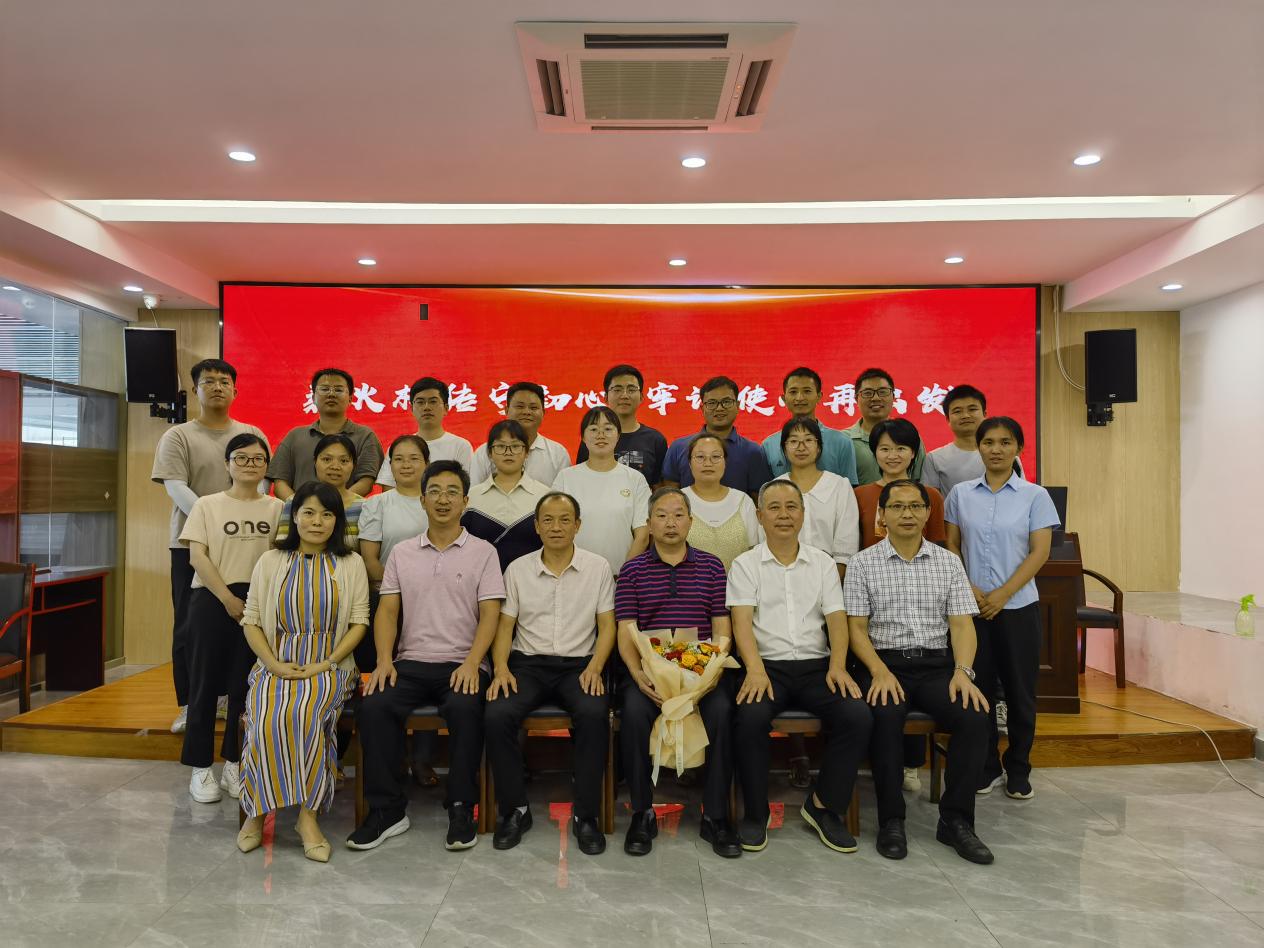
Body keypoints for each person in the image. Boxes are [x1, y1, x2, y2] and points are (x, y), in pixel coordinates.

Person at [348, 460, 505, 852]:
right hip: (410, 661)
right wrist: (384, 661)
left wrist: (473, 662)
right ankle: (387, 810)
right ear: (422, 500)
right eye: (434, 491)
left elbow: (491, 614)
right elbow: (387, 611)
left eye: (452, 492)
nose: (443, 499)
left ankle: (461, 807)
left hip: (463, 661)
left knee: (466, 708)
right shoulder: (402, 553)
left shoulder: (484, 552)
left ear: (465, 501)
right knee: (375, 705)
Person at [843, 479, 994, 865]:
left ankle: (956, 820)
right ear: (882, 515)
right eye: (897, 507)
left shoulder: (948, 562)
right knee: (884, 714)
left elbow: (961, 625)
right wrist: (877, 670)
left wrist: (963, 672)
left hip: (937, 667)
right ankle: (892, 820)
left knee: (975, 715)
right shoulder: (862, 563)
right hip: (884, 663)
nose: (906, 514)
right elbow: (856, 628)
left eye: (915, 506)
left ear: (928, 513)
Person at [728, 480, 872, 854]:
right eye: (774, 508)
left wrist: (838, 666)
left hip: (817, 668)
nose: (784, 515)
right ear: (760, 516)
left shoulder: (822, 562)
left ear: (803, 515)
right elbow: (741, 623)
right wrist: (754, 669)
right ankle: (756, 813)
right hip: (766, 668)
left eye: (791, 507)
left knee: (857, 715)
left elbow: (836, 619)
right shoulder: (745, 564)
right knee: (749, 718)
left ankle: (824, 806)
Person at [236, 482, 369, 862]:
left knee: (306, 714)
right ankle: (257, 811)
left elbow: (359, 622)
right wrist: (274, 664)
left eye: (327, 514)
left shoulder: (351, 562)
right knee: (266, 716)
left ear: (338, 521)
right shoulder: (270, 560)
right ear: (293, 517)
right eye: (308, 512)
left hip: (331, 664)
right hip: (275, 662)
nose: (317, 521)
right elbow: (251, 621)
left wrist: (326, 663)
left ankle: (307, 818)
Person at [484, 492, 616, 855]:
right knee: (497, 714)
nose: (556, 527)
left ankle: (585, 815)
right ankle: (515, 810)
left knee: (593, 714)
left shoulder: (597, 567)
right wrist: (500, 669)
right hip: (527, 665)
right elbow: (504, 626)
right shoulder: (518, 569)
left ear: (578, 525)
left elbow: (607, 626)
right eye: (548, 520)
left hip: (579, 666)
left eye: (564, 520)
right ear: (537, 526)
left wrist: (596, 667)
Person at [614, 487, 740, 858]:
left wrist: (708, 676)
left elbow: (722, 628)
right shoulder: (633, 570)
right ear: (649, 524)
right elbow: (626, 630)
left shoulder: (712, 567)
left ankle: (715, 815)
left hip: (702, 671)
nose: (671, 522)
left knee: (722, 710)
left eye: (678, 515)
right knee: (634, 711)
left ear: (690, 521)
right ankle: (642, 812)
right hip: (650, 671)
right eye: (662, 515)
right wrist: (638, 674)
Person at [945, 417, 1058, 800]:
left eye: (1005, 442)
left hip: (1019, 607)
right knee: (979, 693)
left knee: (1020, 692)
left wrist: (1003, 594)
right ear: (978, 447)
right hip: (972, 608)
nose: (996, 449)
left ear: (1018, 448)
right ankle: (988, 766)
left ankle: (1019, 768)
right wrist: (972, 590)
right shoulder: (960, 494)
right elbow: (952, 546)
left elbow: (1039, 552)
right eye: (989, 442)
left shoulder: (1034, 495)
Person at [151, 357, 266, 733]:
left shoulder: (251, 432)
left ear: (235, 389)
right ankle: (190, 703)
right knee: (190, 624)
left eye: (224, 381)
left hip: (247, 542)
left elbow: (261, 484)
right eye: (208, 381)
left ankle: (233, 699)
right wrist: (213, 522)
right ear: (195, 389)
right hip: (191, 544)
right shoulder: (179, 435)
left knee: (243, 622)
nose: (217, 387)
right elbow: (175, 486)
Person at [179, 433, 282, 804]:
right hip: (212, 599)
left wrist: (253, 605)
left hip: (258, 604)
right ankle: (200, 768)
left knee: (245, 687)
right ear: (227, 464)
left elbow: (280, 558)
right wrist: (227, 599)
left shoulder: (277, 508)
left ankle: (235, 764)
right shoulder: (207, 505)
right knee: (204, 686)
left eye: (258, 458)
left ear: (266, 465)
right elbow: (197, 556)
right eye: (241, 457)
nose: (250, 464)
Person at [358, 434, 430, 669]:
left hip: (434, 599)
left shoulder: (438, 503)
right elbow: (370, 560)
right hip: (387, 597)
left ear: (427, 463)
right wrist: (400, 591)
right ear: (390, 466)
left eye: (414, 459)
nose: (406, 465)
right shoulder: (376, 503)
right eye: (399, 459)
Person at [552, 406, 651, 576]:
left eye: (608, 429)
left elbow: (642, 535)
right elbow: (554, 528)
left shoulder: (635, 479)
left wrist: (625, 575)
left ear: (618, 436)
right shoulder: (566, 477)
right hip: (572, 575)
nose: (601, 435)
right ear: (583, 437)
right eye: (593, 429)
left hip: (620, 577)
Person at [268, 367, 384, 499]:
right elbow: (280, 482)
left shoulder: (365, 436)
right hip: (300, 511)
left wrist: (337, 506)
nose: (331, 394)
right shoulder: (295, 436)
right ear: (313, 397)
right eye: (324, 389)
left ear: (350, 398)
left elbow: (366, 481)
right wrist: (303, 507)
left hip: (348, 510)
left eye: (338, 390)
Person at [771, 417, 859, 575]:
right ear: (784, 448)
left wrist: (833, 580)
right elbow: (767, 539)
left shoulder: (839, 486)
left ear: (819, 447)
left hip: (831, 575)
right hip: (782, 575)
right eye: (793, 441)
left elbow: (847, 542)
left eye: (808, 440)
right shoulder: (774, 489)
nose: (801, 447)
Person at [661, 376, 772, 497]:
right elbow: (670, 494)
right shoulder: (678, 448)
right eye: (712, 403)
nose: (719, 408)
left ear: (737, 405)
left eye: (726, 402)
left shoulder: (753, 451)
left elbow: (758, 498)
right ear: (702, 408)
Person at [463, 419, 550, 572]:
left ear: (526, 452)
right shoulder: (472, 497)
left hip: (532, 580)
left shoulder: (544, 497)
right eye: (501, 446)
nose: (508, 452)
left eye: (515, 446)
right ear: (490, 453)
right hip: (481, 579)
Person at [853, 419, 945, 549]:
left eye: (900, 448)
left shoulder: (931, 495)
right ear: (875, 453)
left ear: (913, 453)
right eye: (885, 449)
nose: (892, 456)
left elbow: (936, 543)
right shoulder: (859, 495)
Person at [575, 364, 668, 486]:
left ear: (641, 397)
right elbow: (580, 478)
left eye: (631, 390)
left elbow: (658, 487)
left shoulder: (655, 439)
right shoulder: (593, 437)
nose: (624, 395)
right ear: (606, 397)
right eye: (617, 390)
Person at [761, 367, 859, 484]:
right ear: (784, 398)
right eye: (793, 392)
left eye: (807, 391)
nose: (800, 398)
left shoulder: (842, 442)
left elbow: (850, 488)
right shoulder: (768, 445)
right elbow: (766, 490)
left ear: (819, 396)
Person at [922, 385, 1023, 495]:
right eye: (957, 411)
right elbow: (931, 501)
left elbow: (1022, 493)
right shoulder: (934, 459)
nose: (965, 415)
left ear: (985, 414)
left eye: (972, 409)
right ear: (948, 419)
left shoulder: (1006, 455)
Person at [376, 376, 475, 488]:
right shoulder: (399, 447)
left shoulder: (461, 446)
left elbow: (466, 487)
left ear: (446, 408)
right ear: (412, 408)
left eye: (433, 402)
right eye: (420, 402)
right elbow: (388, 487)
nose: (426, 407)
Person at [681, 433, 758, 571]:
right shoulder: (678, 500)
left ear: (725, 462)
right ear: (690, 463)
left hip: (738, 583)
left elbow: (755, 551)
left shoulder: (743, 501)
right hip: (687, 584)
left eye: (716, 457)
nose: (708, 463)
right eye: (700, 457)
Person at [274, 434, 365, 549]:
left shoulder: (364, 507)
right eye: (327, 459)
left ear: (354, 465)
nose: (335, 466)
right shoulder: (294, 501)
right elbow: (283, 547)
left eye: (344, 461)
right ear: (315, 461)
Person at [469, 382, 571, 484]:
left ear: (543, 413)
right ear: (506, 410)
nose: (527, 412)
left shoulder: (558, 454)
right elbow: (474, 491)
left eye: (533, 408)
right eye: (520, 406)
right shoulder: (485, 452)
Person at [843, 368, 925, 485]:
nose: (875, 398)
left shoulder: (909, 436)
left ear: (893, 396)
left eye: (882, 392)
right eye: (867, 393)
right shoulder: (843, 440)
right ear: (856, 399)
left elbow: (920, 480)